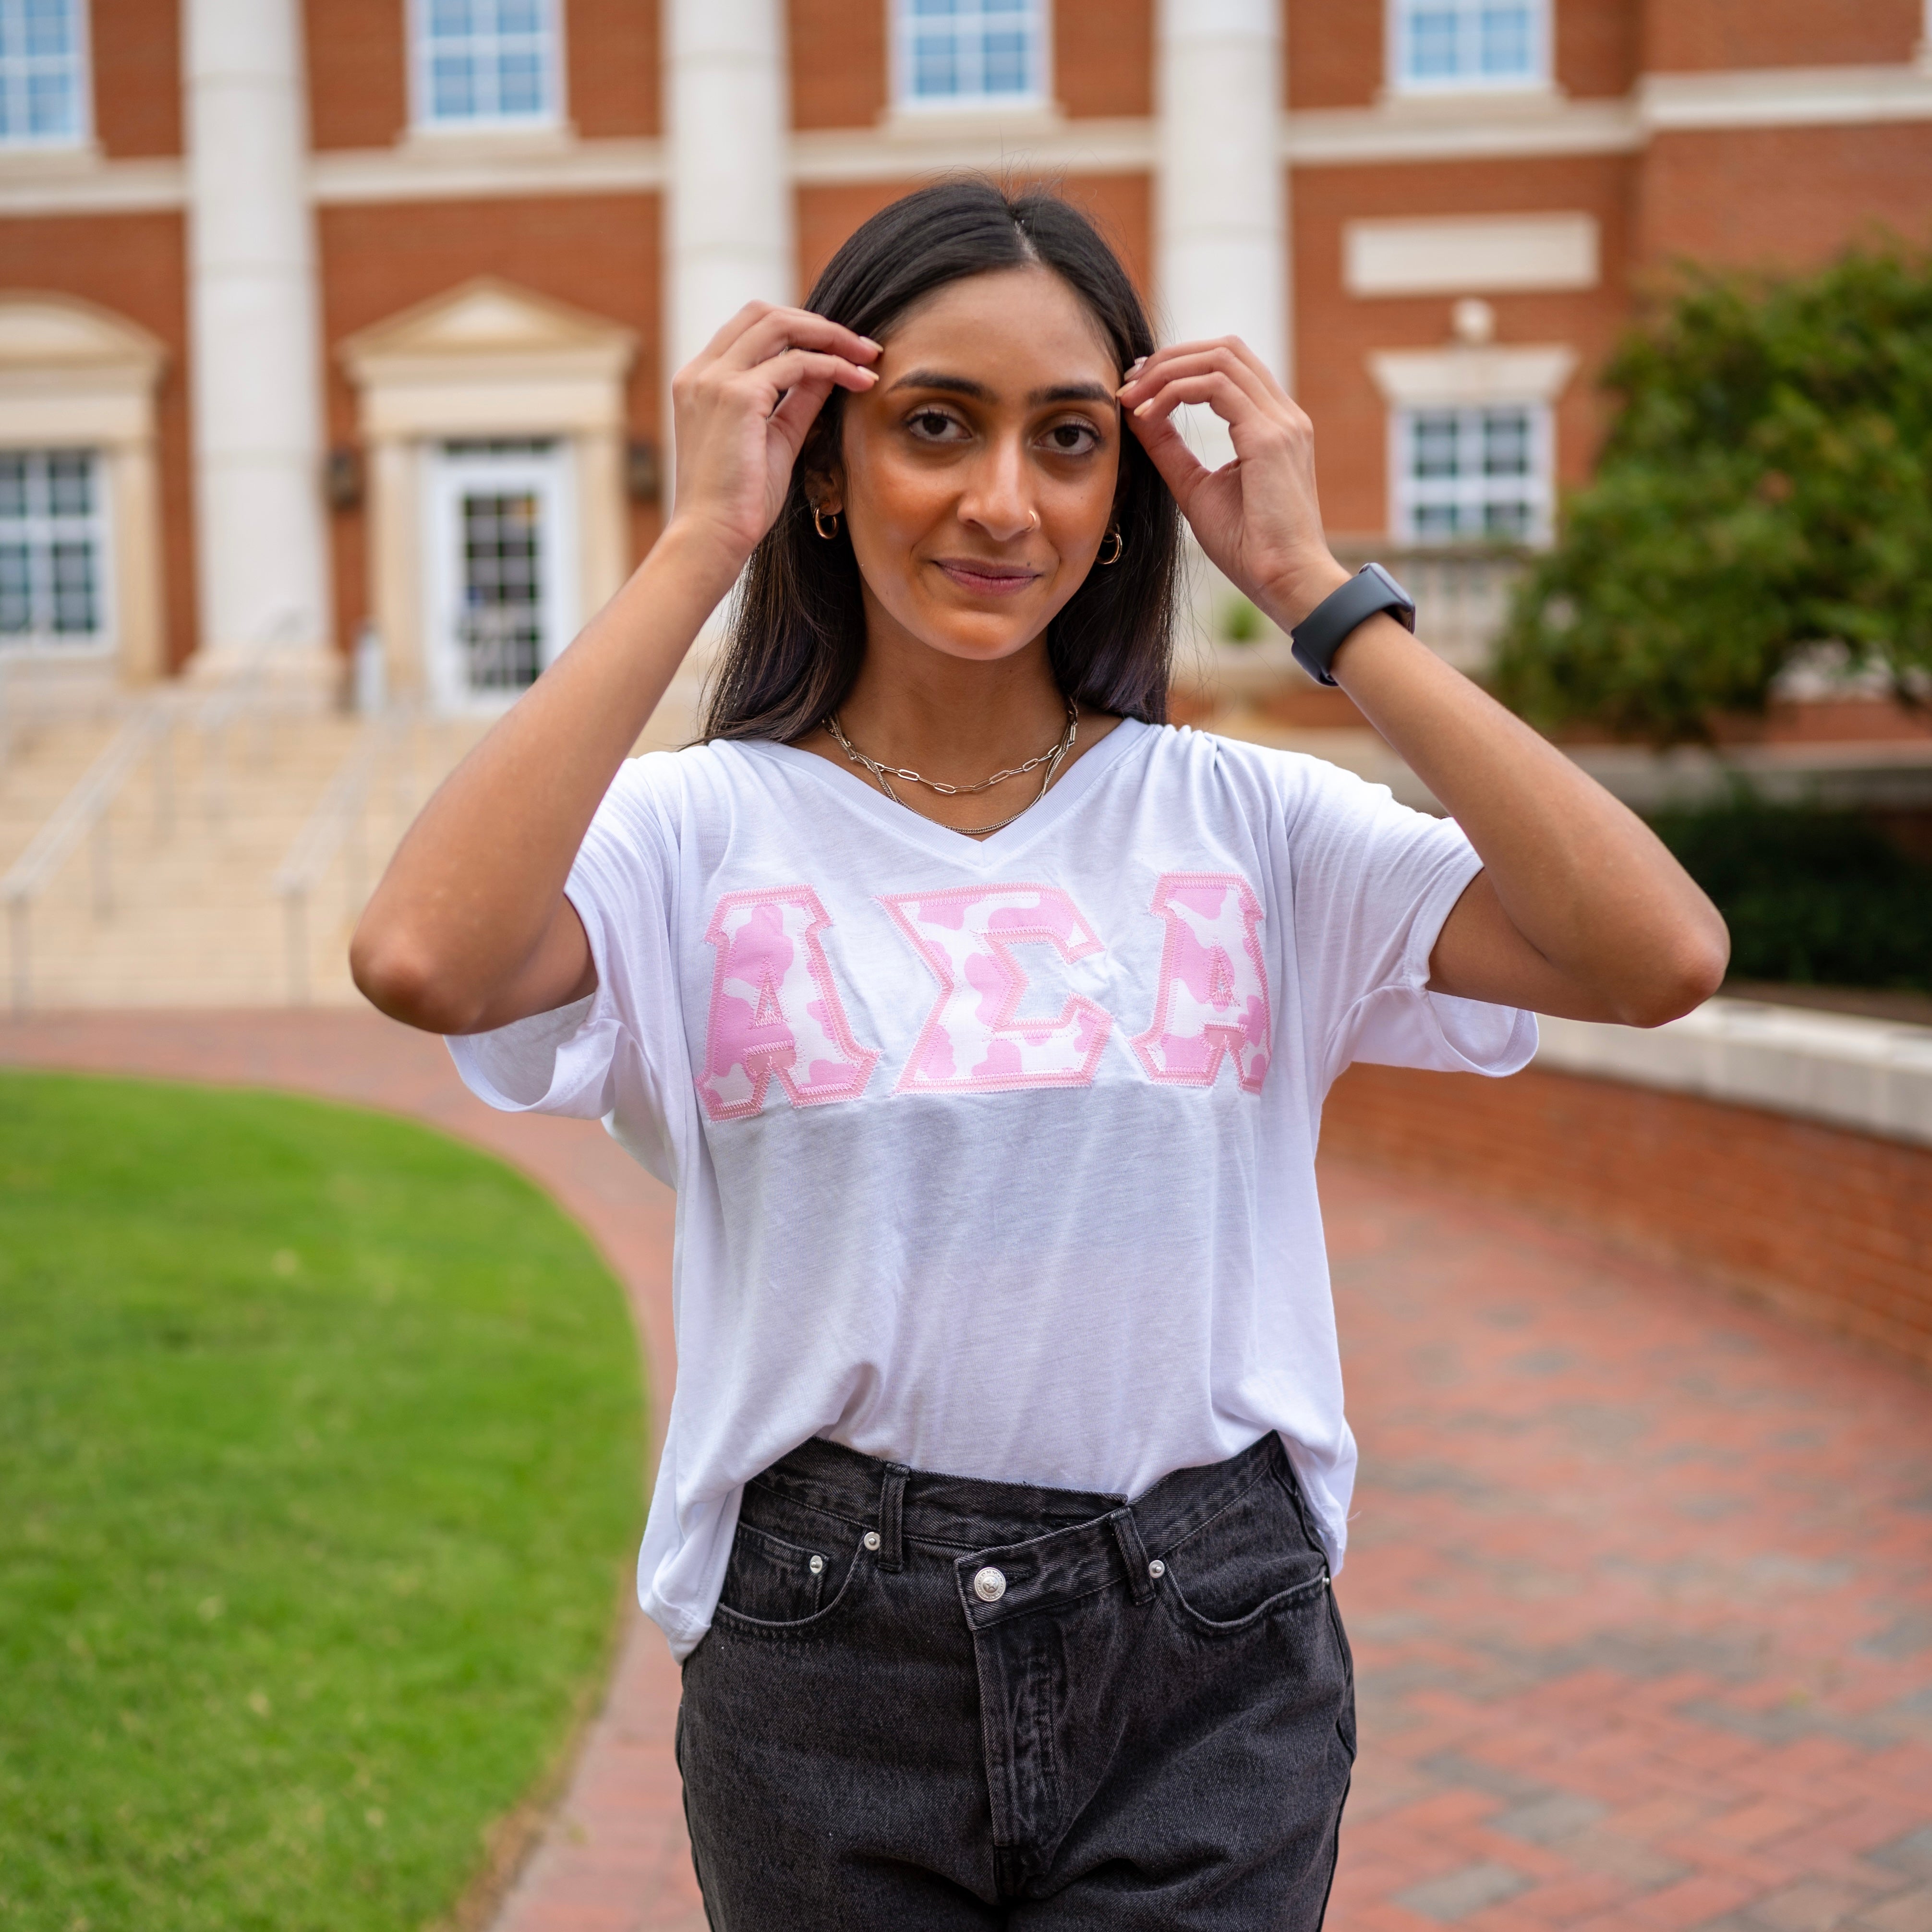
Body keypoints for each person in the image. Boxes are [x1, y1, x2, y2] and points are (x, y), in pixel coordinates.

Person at [351, 181, 1727, 1929]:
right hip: (822, 1651)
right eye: (937, 426)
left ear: (1124, 487)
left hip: (1207, 1642)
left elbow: (1661, 953)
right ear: (824, 468)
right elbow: (424, 956)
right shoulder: (689, 835)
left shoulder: (1246, 822)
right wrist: (699, 540)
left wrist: (1310, 584)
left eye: (1070, 440)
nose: (1005, 501)